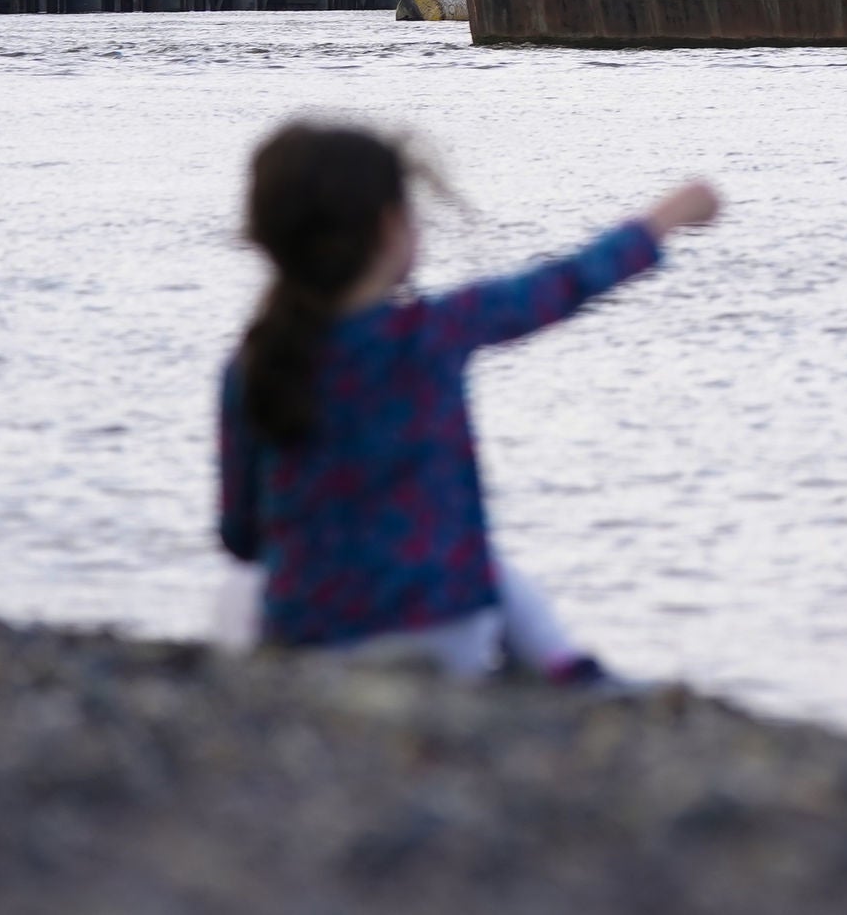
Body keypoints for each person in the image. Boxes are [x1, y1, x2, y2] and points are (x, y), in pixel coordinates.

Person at [216, 119, 719, 679]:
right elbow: (563, 285)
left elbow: (240, 536)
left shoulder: (252, 366)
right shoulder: (432, 331)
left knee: (244, 588)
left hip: (310, 637)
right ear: (390, 229)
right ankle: (565, 667)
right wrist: (661, 222)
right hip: (445, 626)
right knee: (490, 567)